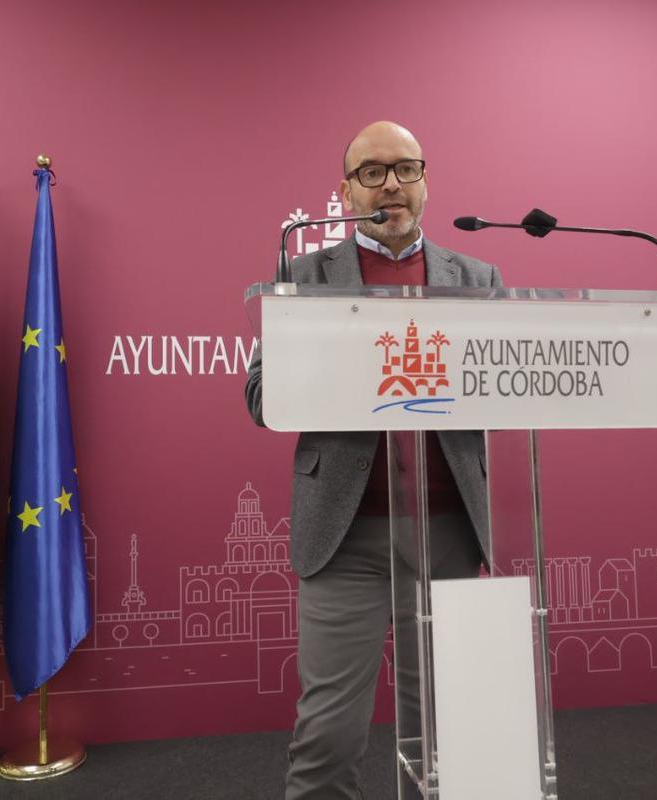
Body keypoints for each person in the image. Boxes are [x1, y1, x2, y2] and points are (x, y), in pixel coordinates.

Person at [245, 121, 502, 799]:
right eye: (373, 171)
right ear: (346, 190)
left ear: (425, 181)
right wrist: (351, 372)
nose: (392, 183)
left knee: (443, 733)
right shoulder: (301, 273)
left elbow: (506, 391)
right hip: (346, 535)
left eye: (406, 169)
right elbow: (261, 394)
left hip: (448, 533)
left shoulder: (477, 278)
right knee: (328, 736)